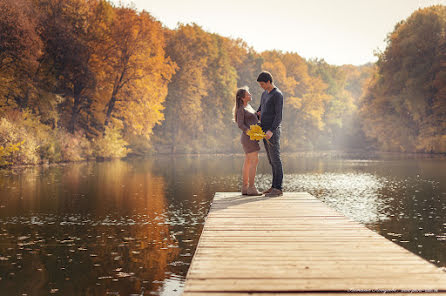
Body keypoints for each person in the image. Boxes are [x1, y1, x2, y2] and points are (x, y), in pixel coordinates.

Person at [256, 71, 284, 197]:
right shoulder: (264, 94)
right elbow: (260, 109)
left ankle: (278, 188)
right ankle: (273, 186)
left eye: (262, 84)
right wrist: (256, 114)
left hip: (272, 131)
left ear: (268, 82)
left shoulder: (277, 94)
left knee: (276, 159)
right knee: (271, 160)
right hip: (263, 130)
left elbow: (279, 116)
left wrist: (271, 130)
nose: (261, 86)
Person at [234, 87, 262, 196]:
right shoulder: (241, 109)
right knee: (254, 162)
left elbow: (252, 120)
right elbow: (240, 124)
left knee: (248, 162)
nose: (250, 94)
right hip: (248, 138)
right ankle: (251, 188)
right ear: (242, 98)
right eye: (248, 94)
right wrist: (250, 132)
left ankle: (245, 188)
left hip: (251, 138)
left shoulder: (248, 106)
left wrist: (257, 116)